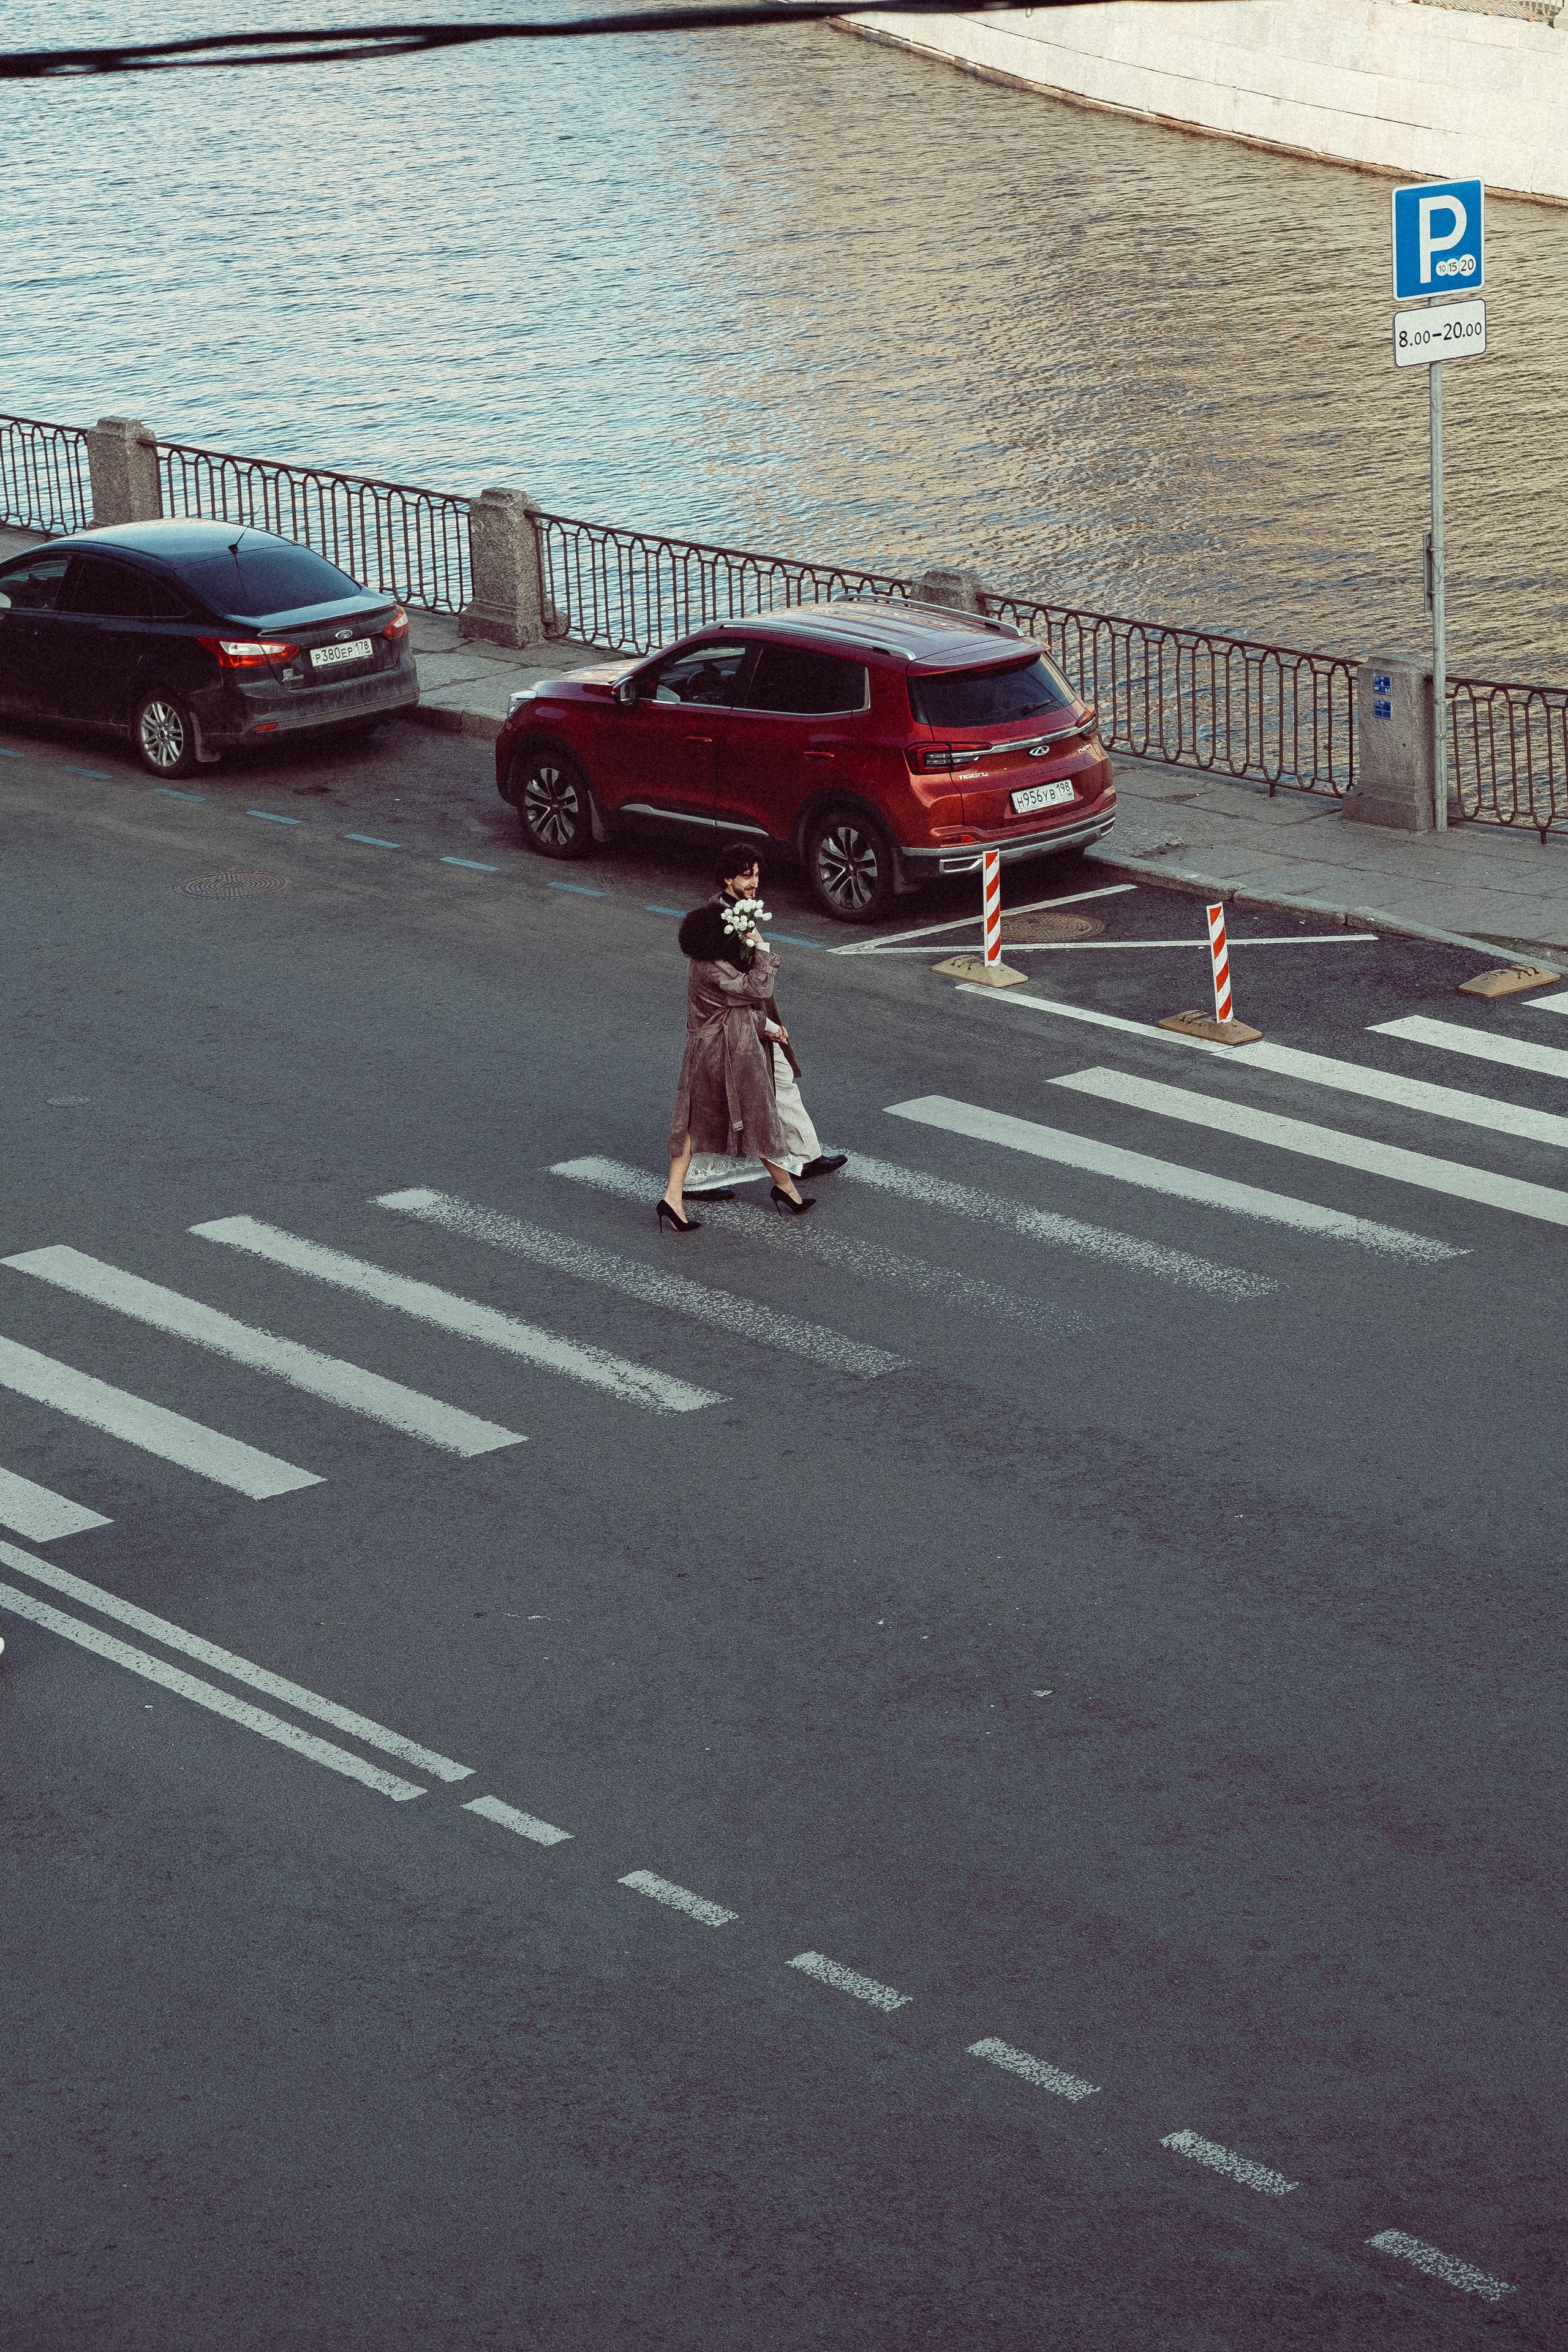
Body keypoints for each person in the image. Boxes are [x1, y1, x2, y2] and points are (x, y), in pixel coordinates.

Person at [683, 846, 848, 1201]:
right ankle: (696, 1178)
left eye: (757, 874)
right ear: (728, 879)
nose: (754, 882)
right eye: (746, 876)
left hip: (750, 1017)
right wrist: (762, 953)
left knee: (778, 1082)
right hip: (737, 1023)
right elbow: (736, 985)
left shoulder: (737, 912)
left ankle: (804, 1157)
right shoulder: (721, 921)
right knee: (722, 1100)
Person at [659, 884, 815, 1233]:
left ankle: (673, 1198)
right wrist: (760, 945)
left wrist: (767, 1025)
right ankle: (786, 1189)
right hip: (727, 1054)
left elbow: (730, 1011)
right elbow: (758, 990)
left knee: (693, 1124)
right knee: (755, 1116)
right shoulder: (715, 970)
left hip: (706, 1052)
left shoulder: (703, 966)